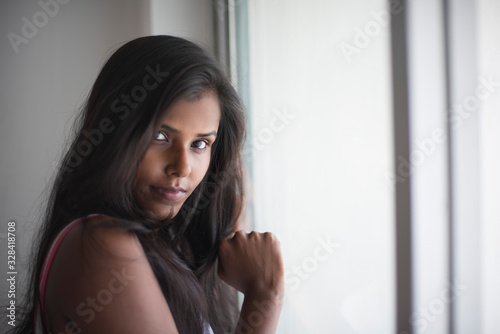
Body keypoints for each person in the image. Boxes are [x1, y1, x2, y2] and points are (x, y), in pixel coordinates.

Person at [12, 35, 284, 334]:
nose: (181, 167)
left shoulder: (171, 247)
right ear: (114, 133)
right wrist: (264, 297)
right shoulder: (100, 244)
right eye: (160, 137)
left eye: (200, 143)